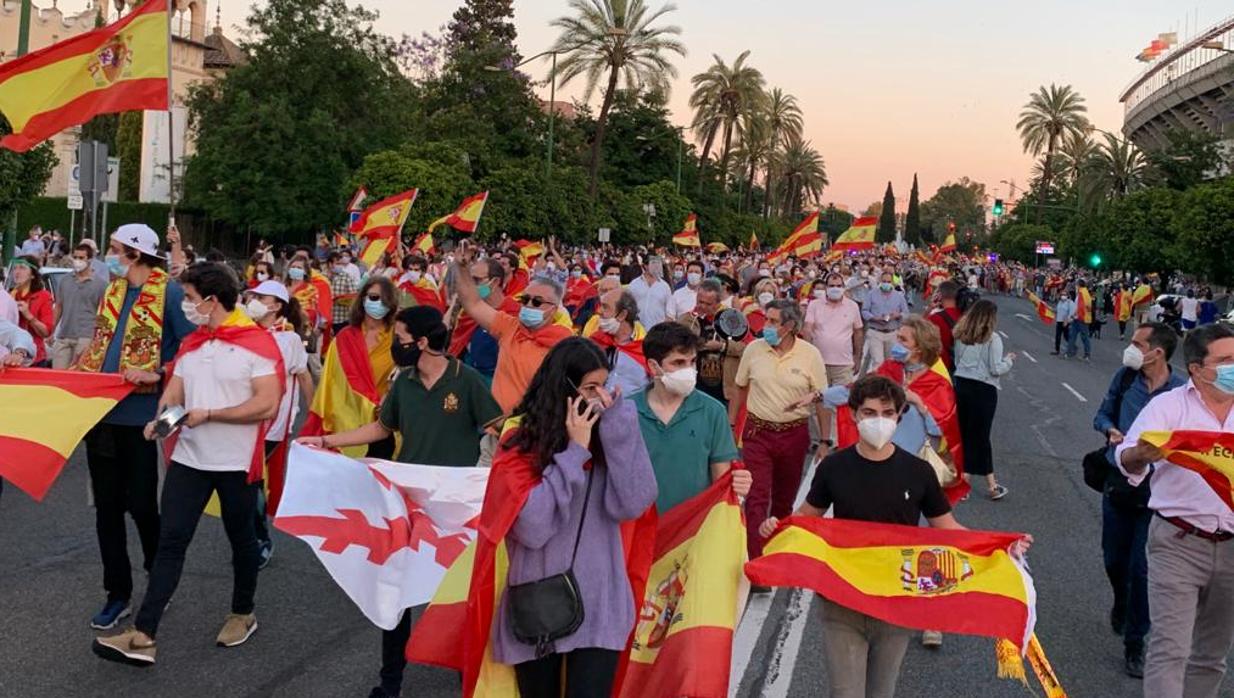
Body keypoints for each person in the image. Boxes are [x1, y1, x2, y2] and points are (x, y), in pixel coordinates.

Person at [759, 375, 1029, 698]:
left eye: (887, 413)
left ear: (899, 416)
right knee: (846, 693)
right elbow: (806, 519)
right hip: (842, 602)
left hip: (896, 603)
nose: (879, 420)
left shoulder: (918, 472)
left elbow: (950, 530)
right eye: (870, 413)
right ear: (854, 414)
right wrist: (777, 528)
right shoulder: (834, 467)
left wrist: (1001, 547)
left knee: (881, 694)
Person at [298, 306, 501, 698]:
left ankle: (467, 680)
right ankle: (390, 683)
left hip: (454, 511)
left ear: (422, 342)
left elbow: (497, 427)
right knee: (396, 596)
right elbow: (381, 426)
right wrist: (326, 441)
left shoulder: (468, 381)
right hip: (407, 504)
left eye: (401, 337)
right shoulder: (403, 384)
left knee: (456, 600)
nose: (396, 344)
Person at [93, 262, 283, 666]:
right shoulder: (193, 343)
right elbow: (174, 393)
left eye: (191, 299)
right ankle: (144, 634)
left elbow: (266, 403)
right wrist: (159, 424)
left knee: (241, 539)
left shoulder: (258, 343)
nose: (186, 306)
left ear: (212, 301)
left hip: (234, 463)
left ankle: (242, 611)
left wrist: (210, 414)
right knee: (171, 541)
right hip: (190, 458)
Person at [488, 338, 657, 697]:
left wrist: (619, 429)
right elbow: (532, 528)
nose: (598, 397)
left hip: (601, 601)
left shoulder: (610, 435)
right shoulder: (519, 443)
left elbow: (633, 504)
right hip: (539, 602)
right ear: (563, 388)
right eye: (589, 388)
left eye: (603, 385)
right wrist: (573, 453)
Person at [76, 224, 196, 630]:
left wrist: (156, 372)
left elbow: (194, 351)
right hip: (102, 416)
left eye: (113, 249)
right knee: (106, 509)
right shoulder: (112, 291)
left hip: (144, 419)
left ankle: (159, 580)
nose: (107, 255)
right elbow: (98, 347)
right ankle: (118, 593)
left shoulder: (172, 294)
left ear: (135, 253)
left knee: (143, 506)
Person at [1116, 323, 1234, 697]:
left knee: (1212, 656)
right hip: (1178, 542)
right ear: (1198, 369)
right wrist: (1138, 456)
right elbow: (1128, 456)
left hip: (1231, 548)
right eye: (1227, 360)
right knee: (1171, 650)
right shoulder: (1169, 406)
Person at [1093, 322, 1184, 678]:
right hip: (1119, 482)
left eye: (1136, 343)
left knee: (1140, 568)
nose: (1129, 348)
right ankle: (1121, 601)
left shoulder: (1179, 392)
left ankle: (1135, 643)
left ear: (1157, 352)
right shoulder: (1125, 379)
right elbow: (1101, 414)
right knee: (1114, 560)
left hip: (1158, 491)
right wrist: (1109, 430)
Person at [731, 299, 829, 565]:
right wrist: (731, 425)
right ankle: (756, 559)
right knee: (756, 497)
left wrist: (825, 439)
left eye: (773, 322)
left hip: (793, 436)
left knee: (784, 501)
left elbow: (821, 398)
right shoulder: (753, 350)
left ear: (789, 326)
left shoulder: (810, 355)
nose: (766, 326)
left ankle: (778, 553)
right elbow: (740, 388)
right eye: (766, 319)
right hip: (757, 434)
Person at [634, 321, 751, 513]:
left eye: (692, 362)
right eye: (678, 363)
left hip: (691, 533)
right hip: (636, 531)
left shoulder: (713, 412)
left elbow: (721, 483)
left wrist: (738, 490)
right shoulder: (627, 412)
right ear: (653, 367)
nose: (689, 370)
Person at [451, 241, 572, 414]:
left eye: (537, 302)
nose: (529, 305)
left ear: (554, 308)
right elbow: (473, 304)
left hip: (534, 430)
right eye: (524, 300)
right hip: (497, 428)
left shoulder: (564, 344)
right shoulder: (510, 326)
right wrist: (461, 267)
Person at [241, 280, 313, 567]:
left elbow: (304, 376)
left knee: (252, 481)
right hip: (242, 416)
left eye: (261, 297)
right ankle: (249, 537)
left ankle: (259, 540)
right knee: (245, 479)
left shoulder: (289, 339)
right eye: (253, 295)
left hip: (273, 421)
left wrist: (315, 414)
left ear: (277, 305)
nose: (254, 300)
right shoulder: (243, 330)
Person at [302, 276, 398, 459]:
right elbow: (330, 384)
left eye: (384, 299)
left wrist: (388, 400)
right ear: (362, 299)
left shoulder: (397, 337)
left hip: (384, 424)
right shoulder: (344, 338)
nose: (378, 303)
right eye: (373, 297)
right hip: (347, 424)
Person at [952, 300, 1015, 500]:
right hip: (983, 388)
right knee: (980, 436)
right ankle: (982, 484)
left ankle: (977, 481)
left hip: (962, 384)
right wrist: (1009, 360)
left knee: (965, 433)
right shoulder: (992, 339)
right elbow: (995, 368)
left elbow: (957, 361)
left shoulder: (961, 335)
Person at [51, 244, 108, 369]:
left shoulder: (101, 285)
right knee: (58, 375)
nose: (77, 261)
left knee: (79, 374)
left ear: (90, 260)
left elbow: (102, 314)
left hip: (86, 337)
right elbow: (59, 306)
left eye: (81, 258)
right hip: (64, 335)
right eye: (75, 257)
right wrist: (51, 330)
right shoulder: (65, 280)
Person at [804, 272, 864, 386]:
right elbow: (807, 329)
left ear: (843, 288)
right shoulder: (814, 305)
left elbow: (858, 332)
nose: (835, 289)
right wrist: (808, 354)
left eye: (838, 286)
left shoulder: (852, 306)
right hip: (819, 363)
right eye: (831, 286)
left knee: (841, 400)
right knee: (819, 399)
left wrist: (858, 357)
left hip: (844, 364)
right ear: (826, 288)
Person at [585, 288, 648, 396]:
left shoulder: (646, 349)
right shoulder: (595, 343)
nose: (598, 311)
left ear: (622, 315)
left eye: (605, 307)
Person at [861, 270, 909, 371]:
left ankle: (889, 383)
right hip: (875, 332)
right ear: (880, 281)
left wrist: (898, 315)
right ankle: (878, 384)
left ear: (892, 282)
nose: (886, 284)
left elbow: (906, 314)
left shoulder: (899, 296)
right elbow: (864, 311)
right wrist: (874, 318)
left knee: (891, 361)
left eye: (888, 282)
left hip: (892, 332)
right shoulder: (871, 294)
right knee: (878, 361)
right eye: (884, 281)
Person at [9, 256, 53, 365]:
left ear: (32, 275)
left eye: (22, 268)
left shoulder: (43, 296)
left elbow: (46, 332)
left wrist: (29, 316)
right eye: (15, 268)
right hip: (10, 357)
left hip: (34, 358)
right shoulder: (9, 295)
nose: (17, 272)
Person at [926, 280, 963, 372]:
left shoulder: (935, 318)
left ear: (940, 295)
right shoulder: (965, 316)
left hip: (941, 364)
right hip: (963, 365)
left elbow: (918, 331)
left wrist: (929, 308)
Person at [626, 255, 672, 329]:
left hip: (658, 330)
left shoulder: (665, 287)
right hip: (637, 329)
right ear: (645, 266)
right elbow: (627, 306)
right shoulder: (634, 284)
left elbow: (670, 311)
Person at [327, 251, 361, 335]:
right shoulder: (322, 278)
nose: (340, 266)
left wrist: (342, 300)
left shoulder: (346, 277)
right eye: (337, 263)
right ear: (330, 264)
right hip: (326, 320)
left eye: (341, 264)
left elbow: (353, 297)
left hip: (341, 318)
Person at [1067, 281, 1093, 361]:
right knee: (1073, 335)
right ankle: (1070, 352)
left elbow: (1080, 307)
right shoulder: (1085, 293)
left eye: (1076, 285)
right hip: (1082, 318)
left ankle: (1086, 354)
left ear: (1078, 285)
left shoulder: (1082, 294)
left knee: (1082, 337)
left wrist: (1073, 315)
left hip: (1081, 318)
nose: (1075, 287)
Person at [1052, 289, 1076, 356]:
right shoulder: (1060, 302)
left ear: (1067, 295)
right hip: (1059, 321)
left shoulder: (1070, 303)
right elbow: (1056, 310)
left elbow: (1072, 313)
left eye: (1064, 294)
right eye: (1062, 294)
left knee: (1066, 336)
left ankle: (1073, 347)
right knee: (1057, 336)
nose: (1063, 296)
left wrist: (1068, 320)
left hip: (1066, 322)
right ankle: (1057, 350)